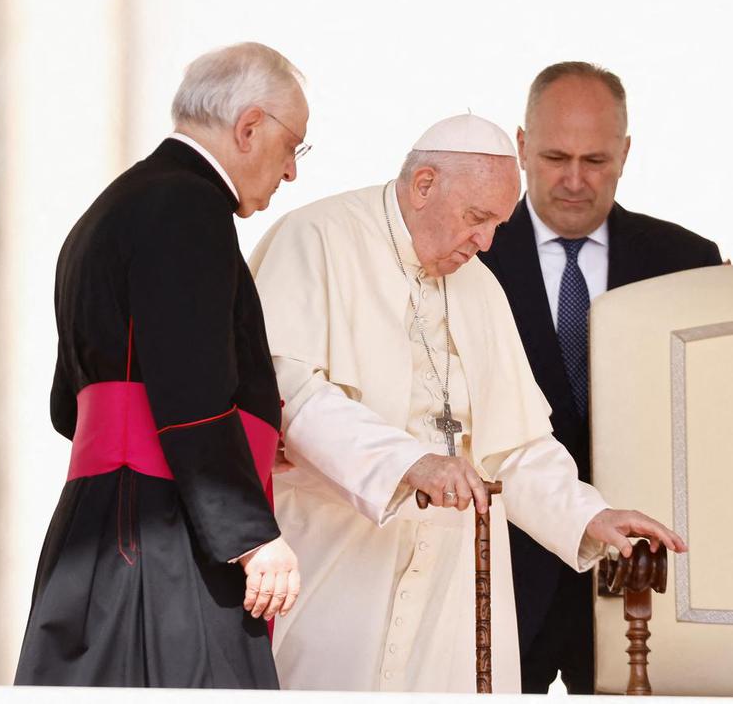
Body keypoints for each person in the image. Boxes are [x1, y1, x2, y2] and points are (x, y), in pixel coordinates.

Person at [248, 113, 685, 693]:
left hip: (454, 577)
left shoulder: (479, 284)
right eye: (476, 219)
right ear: (424, 184)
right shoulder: (318, 237)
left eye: (498, 225)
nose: (486, 243)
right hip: (342, 554)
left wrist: (590, 515)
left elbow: (515, 446)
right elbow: (288, 388)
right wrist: (408, 464)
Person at [14, 42, 310, 689]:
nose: (291, 171)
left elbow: (73, 407)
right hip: (164, 539)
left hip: (100, 530)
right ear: (249, 126)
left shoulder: (112, 206)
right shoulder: (186, 208)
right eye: (293, 146)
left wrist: (253, 433)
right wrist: (251, 534)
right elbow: (190, 386)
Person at [477, 61, 733, 693]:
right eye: (554, 156)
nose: (575, 181)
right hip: (500, 573)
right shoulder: (471, 252)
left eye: (596, 161)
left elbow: (722, 408)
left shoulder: (687, 260)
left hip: (636, 579)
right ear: (521, 147)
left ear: (626, 153)